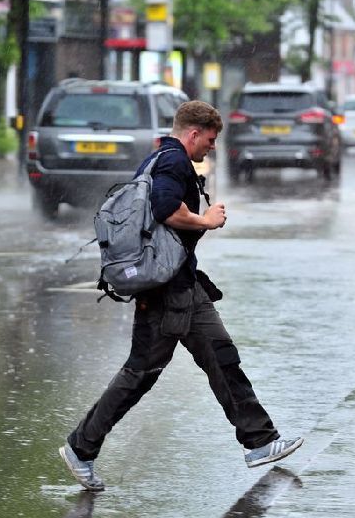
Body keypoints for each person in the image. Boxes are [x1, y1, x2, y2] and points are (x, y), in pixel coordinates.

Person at [59, 100, 303, 491]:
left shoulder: (160, 158)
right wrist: (207, 220)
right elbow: (165, 209)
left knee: (220, 357)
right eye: (210, 139)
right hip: (167, 290)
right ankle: (80, 447)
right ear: (193, 133)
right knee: (142, 373)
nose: (212, 147)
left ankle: (259, 440)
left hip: (180, 284)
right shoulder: (174, 161)